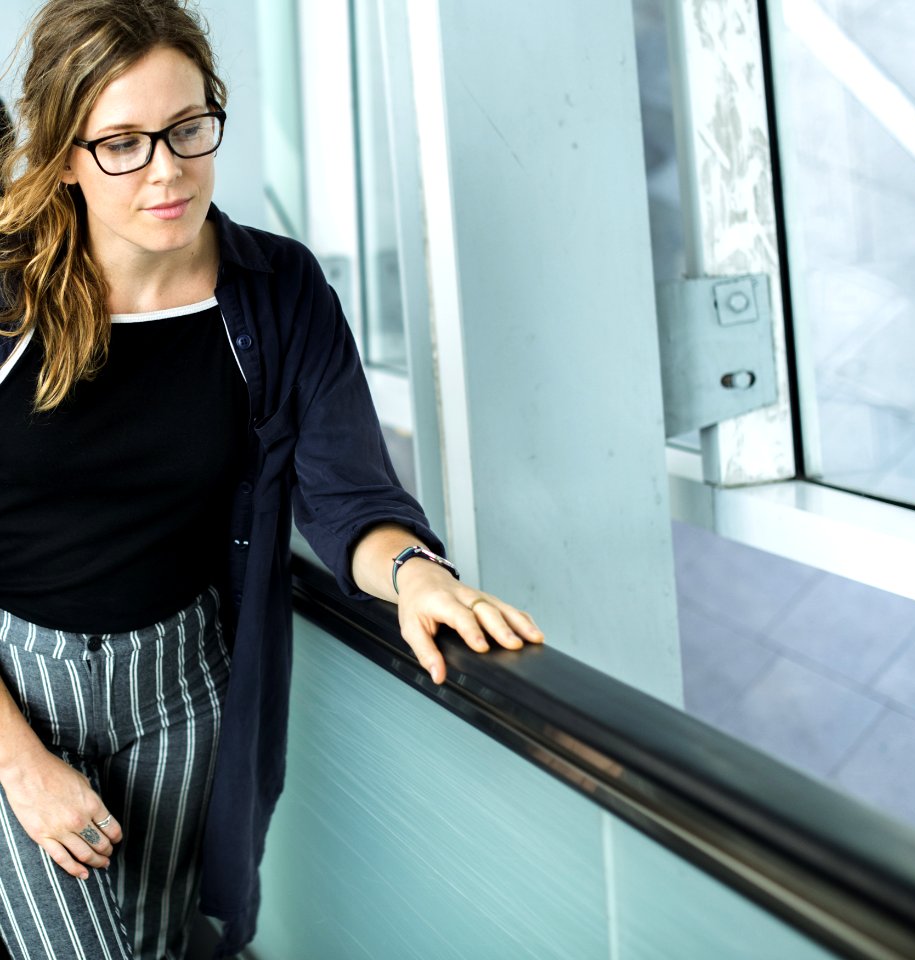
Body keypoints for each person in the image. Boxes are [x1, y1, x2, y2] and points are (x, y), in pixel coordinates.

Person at [0, 1, 543, 957]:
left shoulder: (276, 289)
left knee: (161, 944)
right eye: (121, 143)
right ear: (65, 152)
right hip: (19, 689)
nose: (166, 169)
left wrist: (418, 574)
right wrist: (21, 763)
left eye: (187, 128)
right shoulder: (9, 295)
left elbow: (350, 494)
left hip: (183, 690)